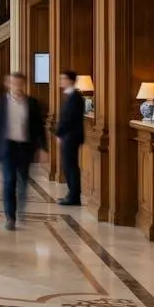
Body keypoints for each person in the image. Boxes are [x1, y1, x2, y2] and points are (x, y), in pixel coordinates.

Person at [0, 72, 47, 230]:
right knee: (9, 181)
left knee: (23, 183)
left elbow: (39, 127)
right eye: (13, 83)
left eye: (19, 83)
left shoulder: (32, 103)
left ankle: (21, 209)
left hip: (25, 148)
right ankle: (10, 217)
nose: (16, 86)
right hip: (7, 148)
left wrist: (43, 148)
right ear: (8, 84)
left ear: (23, 84)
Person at [56, 69, 86, 206]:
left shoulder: (76, 97)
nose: (61, 81)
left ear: (70, 80)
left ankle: (74, 196)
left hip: (71, 137)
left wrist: (59, 133)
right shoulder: (70, 96)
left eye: (63, 78)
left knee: (71, 167)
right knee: (68, 166)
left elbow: (69, 119)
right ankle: (71, 194)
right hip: (68, 136)